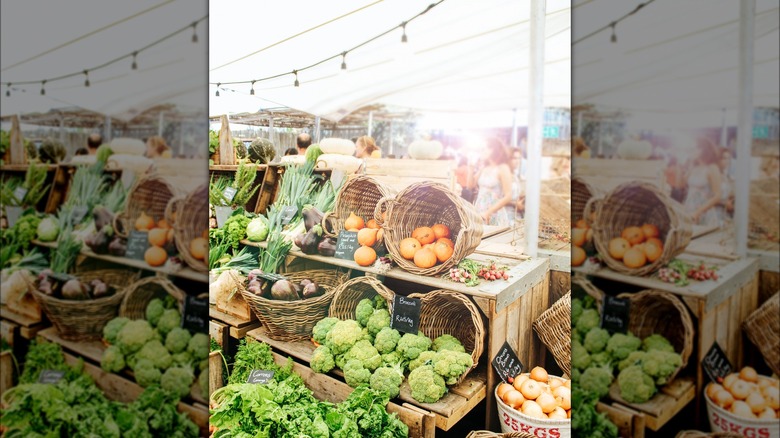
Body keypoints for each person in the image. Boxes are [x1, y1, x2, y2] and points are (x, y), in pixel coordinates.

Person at [471, 138, 513, 226]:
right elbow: (470, 185)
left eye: (484, 149)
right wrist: (470, 167)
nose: (481, 151)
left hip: (494, 212)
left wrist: (488, 212)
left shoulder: (503, 168)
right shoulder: (484, 168)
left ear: (494, 150)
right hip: (479, 210)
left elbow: (508, 196)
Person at [684, 138, 722, 226]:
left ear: (704, 150)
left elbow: (717, 196)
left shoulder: (712, 168)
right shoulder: (694, 167)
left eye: (695, 148)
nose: (691, 150)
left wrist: (698, 212)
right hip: (689, 208)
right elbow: (682, 184)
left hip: (703, 211)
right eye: (691, 148)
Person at [717, 148, 735, 220]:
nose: (727, 161)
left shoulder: (725, 175)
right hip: (713, 212)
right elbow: (708, 196)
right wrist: (725, 203)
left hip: (723, 212)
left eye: (728, 158)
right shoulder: (714, 174)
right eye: (724, 158)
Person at [508, 148, 525, 219]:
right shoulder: (504, 174)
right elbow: (498, 198)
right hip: (505, 214)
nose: (517, 161)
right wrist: (515, 204)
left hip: (516, 214)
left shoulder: (515, 175)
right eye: (514, 158)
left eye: (519, 158)